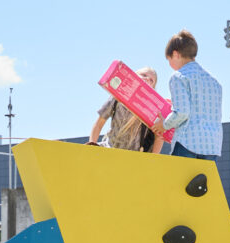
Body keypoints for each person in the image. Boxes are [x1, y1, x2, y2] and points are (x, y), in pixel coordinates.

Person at [151, 30, 223, 160]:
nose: (170, 65)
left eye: (169, 60)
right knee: (204, 180)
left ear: (175, 54)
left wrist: (164, 125)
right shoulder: (215, 82)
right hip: (212, 145)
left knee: (179, 180)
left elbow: (182, 112)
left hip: (188, 142)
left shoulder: (178, 77)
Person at [87, 67, 164, 154]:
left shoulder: (153, 109)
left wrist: (153, 159)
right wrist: (91, 146)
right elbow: (99, 123)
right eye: (144, 75)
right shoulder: (117, 96)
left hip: (133, 156)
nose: (147, 79)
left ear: (153, 88)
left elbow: (159, 137)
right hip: (110, 148)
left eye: (151, 80)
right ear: (133, 76)